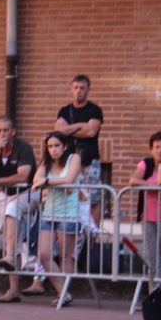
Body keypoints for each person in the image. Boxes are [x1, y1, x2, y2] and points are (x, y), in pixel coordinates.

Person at [0, 116, 39, 302]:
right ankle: (13, 290)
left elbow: (23, 177)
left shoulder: (23, 148)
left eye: (6, 130)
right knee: (12, 240)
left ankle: (10, 256)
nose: (2, 134)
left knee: (13, 210)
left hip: (28, 193)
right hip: (6, 195)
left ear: (13, 131)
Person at [31, 131, 83, 306]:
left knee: (64, 256)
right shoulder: (47, 162)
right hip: (49, 212)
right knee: (44, 254)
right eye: (50, 146)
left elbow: (68, 179)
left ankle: (63, 293)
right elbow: (36, 179)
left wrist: (46, 182)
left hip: (69, 214)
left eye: (57, 145)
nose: (53, 149)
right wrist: (53, 182)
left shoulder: (74, 158)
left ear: (65, 146)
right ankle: (63, 292)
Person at [128, 131, 161, 279]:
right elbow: (133, 181)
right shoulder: (145, 163)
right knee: (152, 258)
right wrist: (154, 186)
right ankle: (155, 290)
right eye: (157, 147)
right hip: (148, 216)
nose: (160, 151)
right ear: (151, 149)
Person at [55, 75, 104, 225]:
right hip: (68, 160)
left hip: (89, 161)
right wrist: (80, 125)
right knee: (69, 196)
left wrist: (69, 129)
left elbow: (91, 132)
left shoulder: (94, 110)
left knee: (93, 199)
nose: (78, 91)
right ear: (71, 89)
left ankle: (93, 233)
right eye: (76, 88)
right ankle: (72, 230)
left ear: (88, 90)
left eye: (82, 88)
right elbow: (59, 131)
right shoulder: (64, 111)